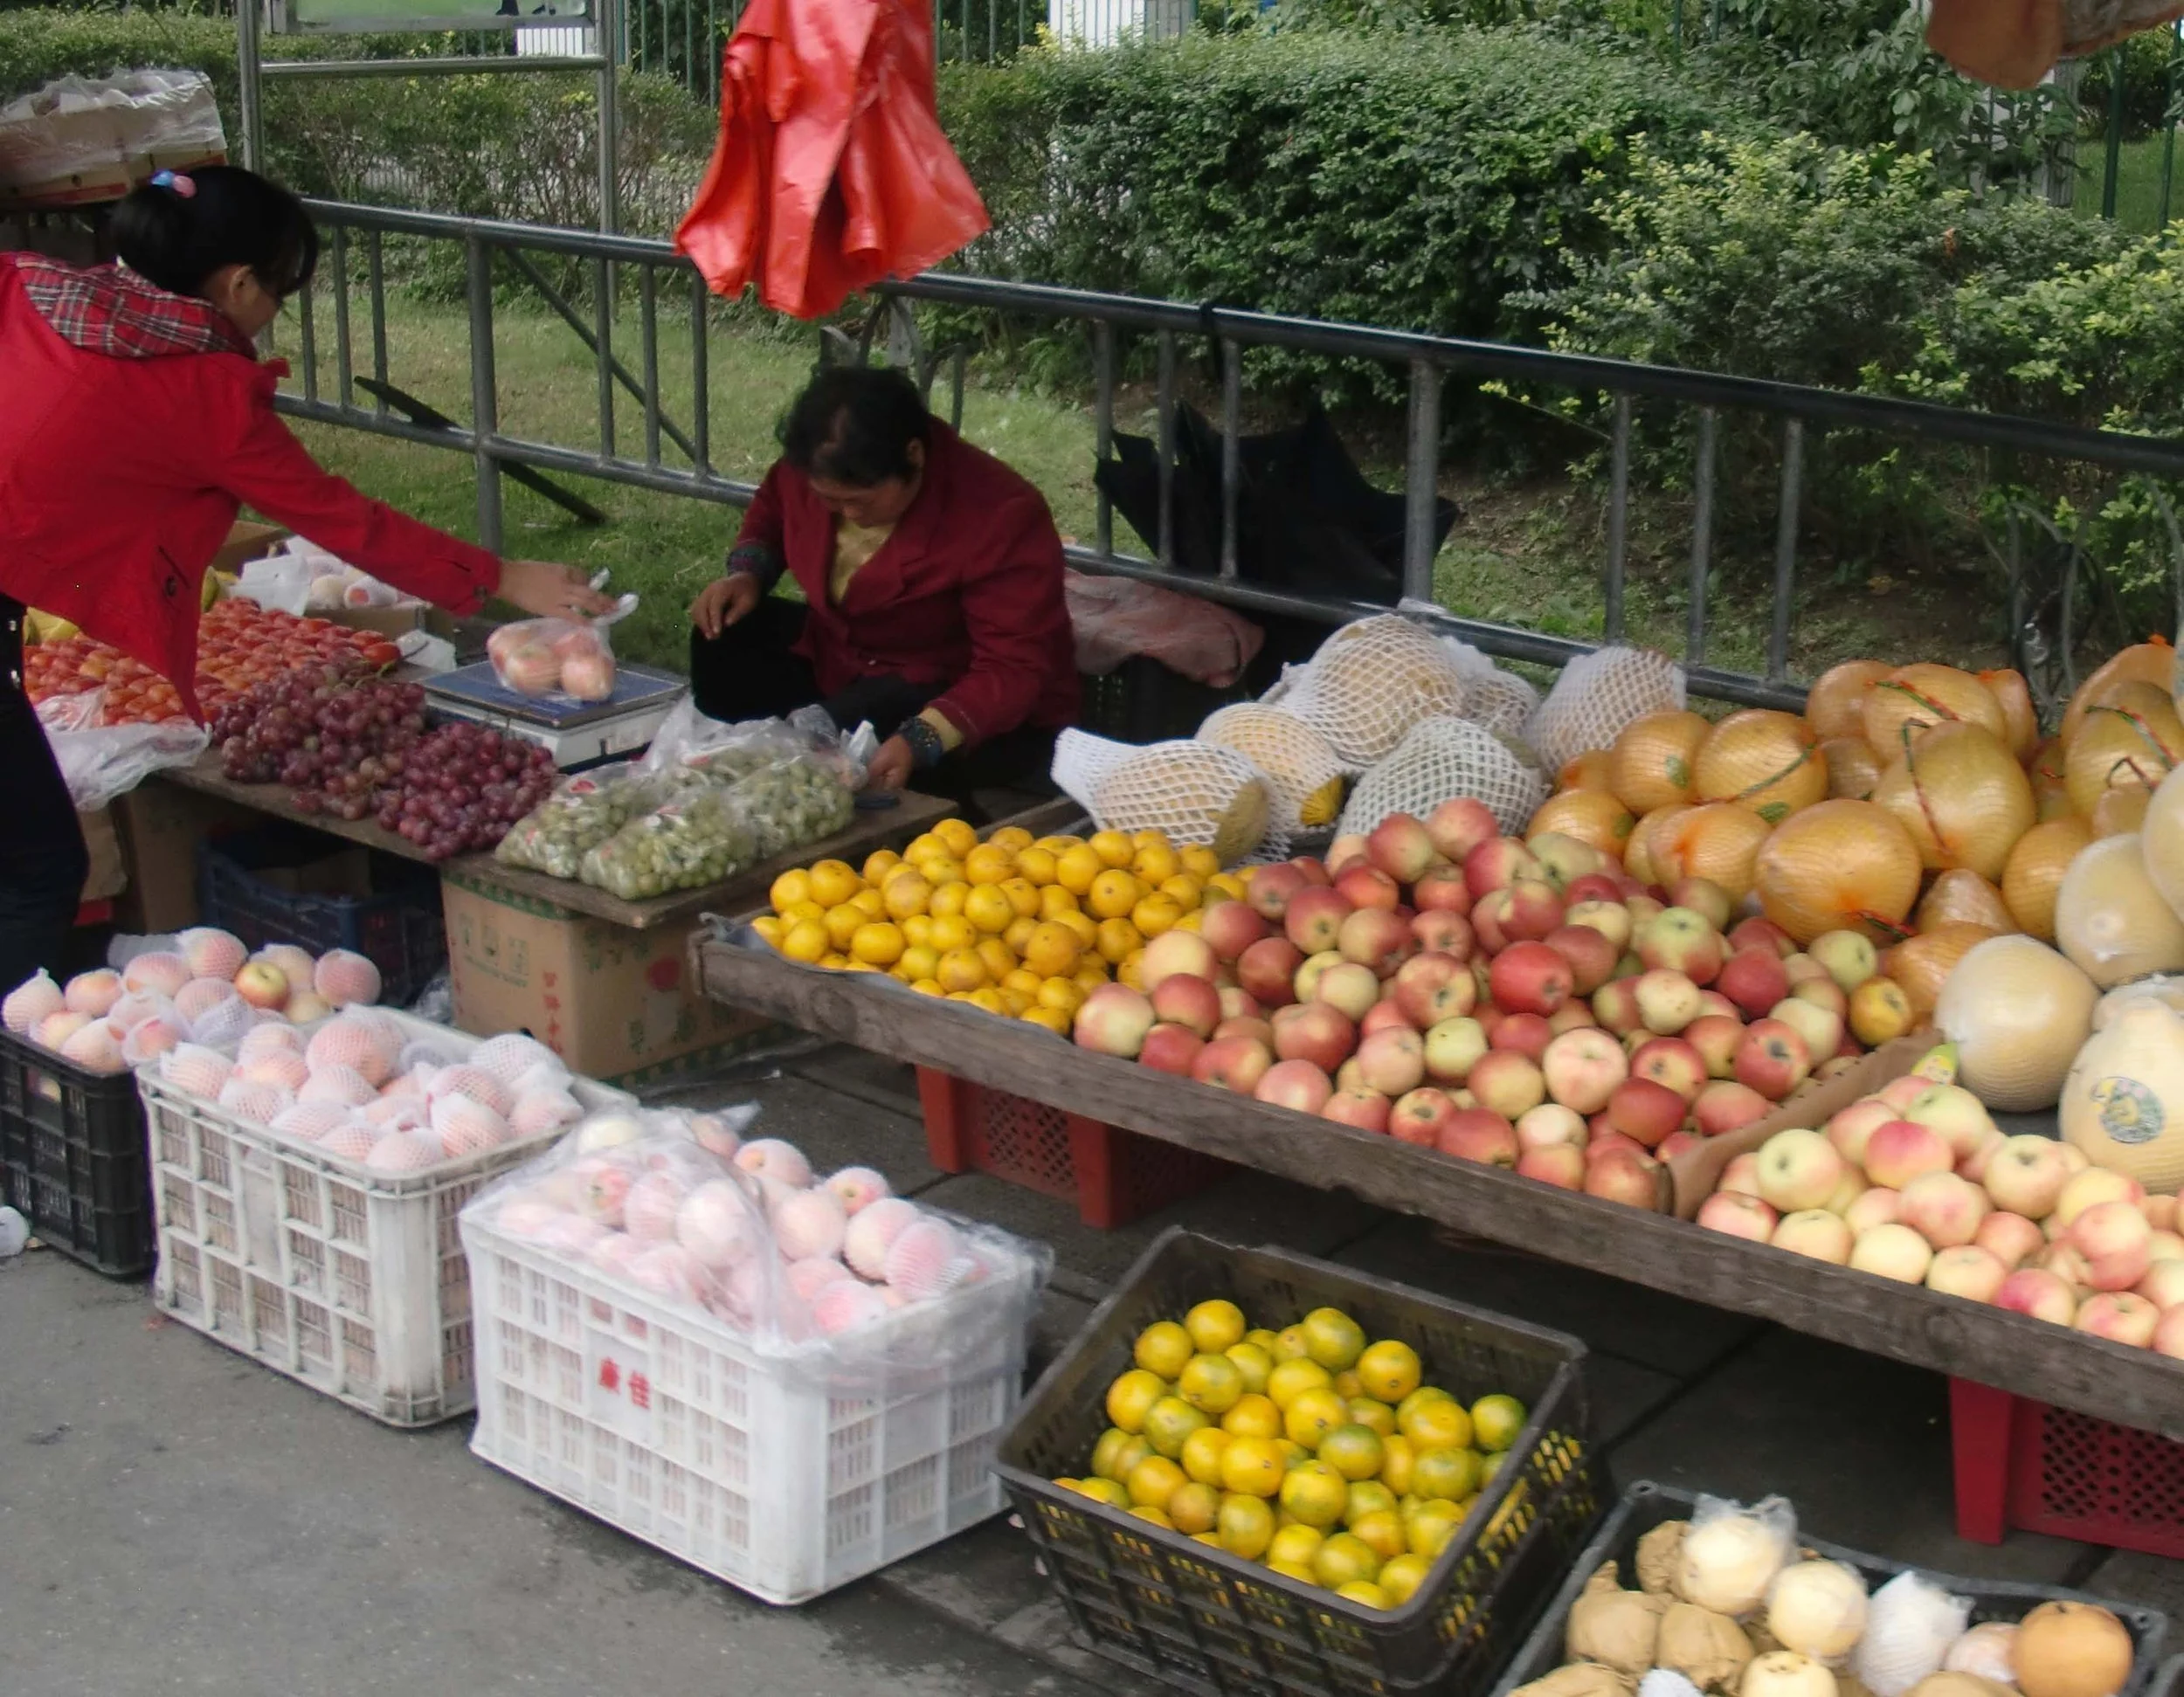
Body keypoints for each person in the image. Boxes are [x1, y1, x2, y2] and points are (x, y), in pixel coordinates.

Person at [0, 166, 610, 994]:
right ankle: (26, 1064)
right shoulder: (202, 392)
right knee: (40, 868)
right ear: (240, 283)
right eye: (279, 293)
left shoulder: (29, 287)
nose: (272, 313)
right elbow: (343, 518)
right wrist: (503, 574)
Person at [687, 365, 1078, 811]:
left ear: (914, 455)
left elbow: (1013, 667)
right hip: (843, 657)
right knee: (725, 634)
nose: (845, 514)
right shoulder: (817, 468)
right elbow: (775, 506)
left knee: (862, 720)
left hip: (956, 691)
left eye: (860, 501)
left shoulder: (1001, 513)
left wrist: (922, 738)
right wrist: (747, 574)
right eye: (830, 501)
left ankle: (931, 818)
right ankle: (743, 774)